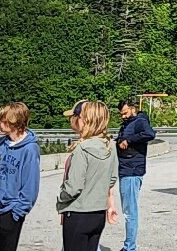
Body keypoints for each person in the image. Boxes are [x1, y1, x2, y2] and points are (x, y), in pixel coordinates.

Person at [57, 100, 118, 251]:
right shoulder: (109, 146)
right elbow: (112, 179)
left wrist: (61, 198)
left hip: (78, 213)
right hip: (98, 214)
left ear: (83, 120)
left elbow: (74, 187)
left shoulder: (82, 149)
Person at [0, 102, 41, 251]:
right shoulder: (0, 144)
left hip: (10, 213)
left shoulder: (30, 149)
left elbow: (30, 186)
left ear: (14, 122)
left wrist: (17, 213)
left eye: (2, 121)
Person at [116, 99, 156, 251]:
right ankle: (129, 246)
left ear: (133, 109)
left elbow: (150, 134)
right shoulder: (128, 123)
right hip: (125, 168)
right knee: (128, 211)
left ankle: (130, 247)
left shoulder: (139, 121)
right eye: (121, 114)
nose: (123, 116)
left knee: (130, 212)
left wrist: (129, 140)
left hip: (132, 170)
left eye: (125, 113)